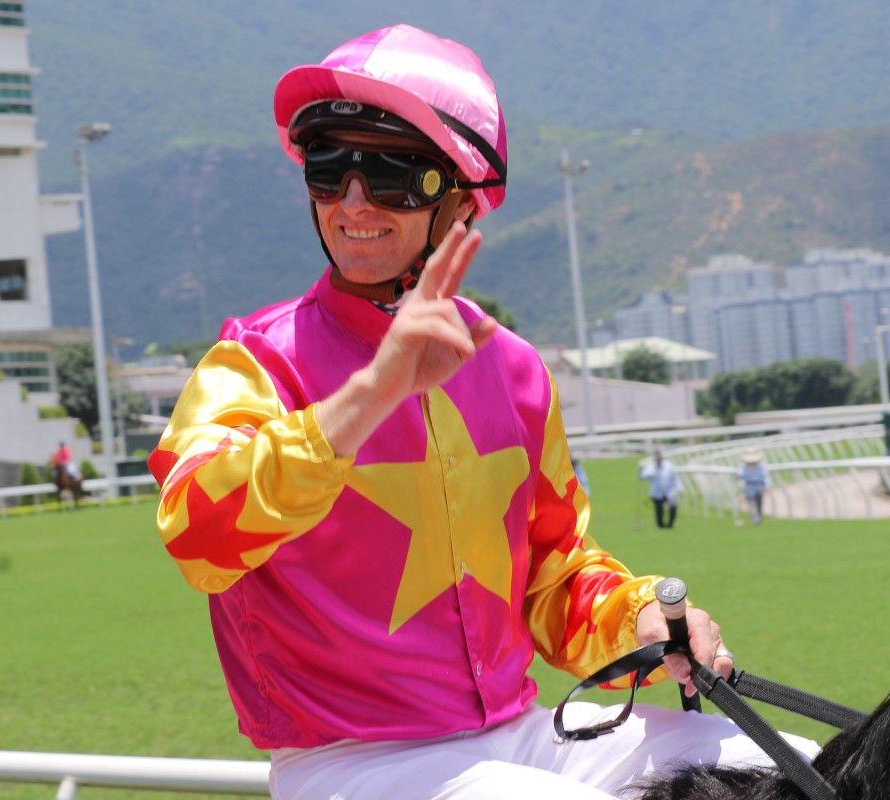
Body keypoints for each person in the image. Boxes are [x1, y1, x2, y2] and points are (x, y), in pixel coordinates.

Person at [148, 24, 816, 799]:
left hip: (524, 734)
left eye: (391, 175)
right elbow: (196, 533)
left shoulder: (515, 368)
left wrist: (639, 618)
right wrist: (371, 392)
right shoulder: (254, 360)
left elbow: (552, 576)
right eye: (329, 170)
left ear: (461, 200)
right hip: (350, 761)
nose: (353, 202)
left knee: (796, 766)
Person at [639, 450, 684, 529]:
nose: (658, 461)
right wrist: (640, 472)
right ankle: (661, 526)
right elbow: (642, 477)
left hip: (670, 492)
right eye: (657, 460)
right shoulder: (651, 468)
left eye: (659, 459)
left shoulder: (669, 466)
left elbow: (675, 478)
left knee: (673, 506)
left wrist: (679, 487)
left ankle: (670, 524)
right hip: (657, 493)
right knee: (659, 510)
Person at [737, 448, 771, 525]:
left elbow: (765, 476)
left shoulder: (761, 465)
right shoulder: (744, 465)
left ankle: (759, 517)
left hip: (759, 485)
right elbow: (741, 474)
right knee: (750, 502)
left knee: (759, 502)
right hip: (749, 485)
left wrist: (768, 485)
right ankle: (753, 517)